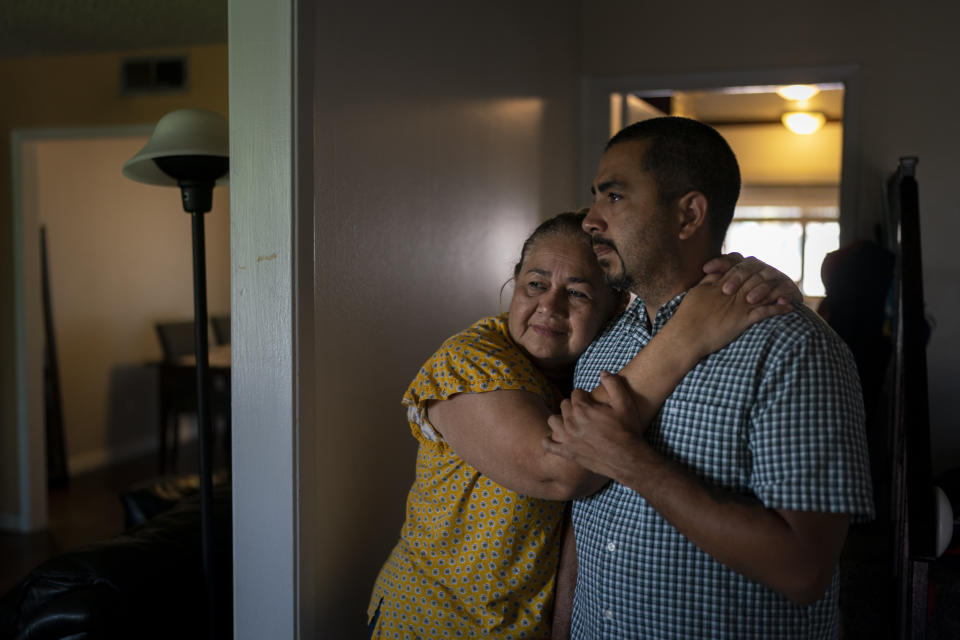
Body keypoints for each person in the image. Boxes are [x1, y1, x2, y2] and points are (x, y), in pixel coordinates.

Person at [367, 210, 800, 639]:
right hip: (433, 623)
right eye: (535, 284)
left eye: (577, 293)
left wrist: (754, 287)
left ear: (615, 309)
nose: (549, 307)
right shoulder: (469, 359)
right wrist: (691, 332)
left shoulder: (598, 364)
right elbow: (557, 470)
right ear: (514, 284)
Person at [544, 117, 875, 639]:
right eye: (595, 197)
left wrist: (632, 463)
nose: (590, 220)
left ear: (689, 214)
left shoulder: (792, 347)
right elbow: (582, 530)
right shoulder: (602, 344)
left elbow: (804, 570)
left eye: (614, 196)